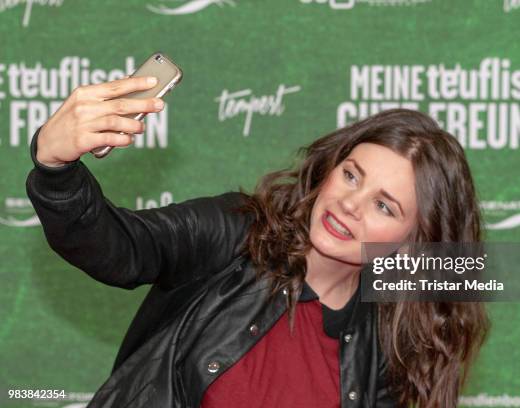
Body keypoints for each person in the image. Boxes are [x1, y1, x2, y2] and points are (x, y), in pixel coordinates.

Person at [26, 76, 490, 407]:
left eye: (384, 206)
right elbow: (120, 248)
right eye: (351, 175)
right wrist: (56, 168)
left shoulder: (386, 344)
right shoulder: (236, 232)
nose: (350, 203)